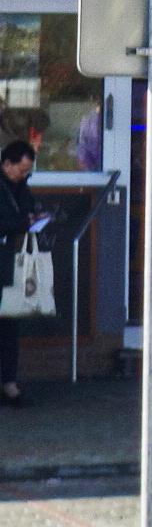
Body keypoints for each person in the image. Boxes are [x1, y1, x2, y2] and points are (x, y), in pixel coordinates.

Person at [1, 140, 37, 406]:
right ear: (7, 164)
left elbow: (28, 209)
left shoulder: (21, 188)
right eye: (20, 170)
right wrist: (24, 222)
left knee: (10, 323)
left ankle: (9, 381)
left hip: (12, 263)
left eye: (27, 171)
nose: (23, 175)